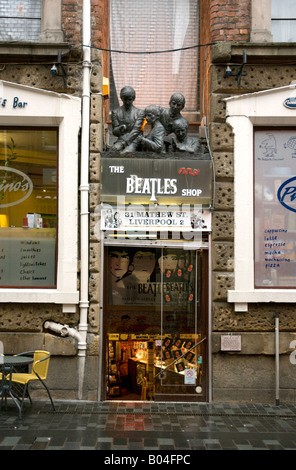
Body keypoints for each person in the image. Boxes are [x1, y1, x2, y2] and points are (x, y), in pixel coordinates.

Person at [110, 86, 145, 152]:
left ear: (133, 98)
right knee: (112, 151)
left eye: (129, 99)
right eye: (125, 99)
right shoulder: (115, 112)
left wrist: (124, 144)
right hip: (121, 140)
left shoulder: (140, 113)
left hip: (134, 140)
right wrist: (119, 129)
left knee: (126, 152)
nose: (127, 102)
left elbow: (136, 131)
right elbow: (114, 132)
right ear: (121, 98)